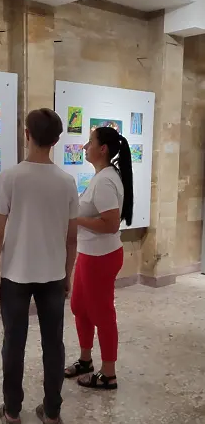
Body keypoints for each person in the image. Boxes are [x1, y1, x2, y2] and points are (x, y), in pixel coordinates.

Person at [0, 108, 79, 424]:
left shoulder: (9, 178)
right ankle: (52, 412)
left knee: (14, 343)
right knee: (53, 344)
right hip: (53, 275)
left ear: (27, 134)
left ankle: (12, 411)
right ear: (56, 140)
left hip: (15, 274)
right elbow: (71, 238)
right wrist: (67, 274)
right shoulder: (67, 182)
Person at [64, 127, 133, 390]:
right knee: (80, 306)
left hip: (101, 256)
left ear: (102, 149)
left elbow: (111, 224)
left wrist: (75, 220)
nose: (85, 147)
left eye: (90, 142)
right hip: (90, 253)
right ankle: (85, 360)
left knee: (102, 313)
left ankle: (108, 373)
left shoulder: (105, 181)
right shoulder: (101, 176)